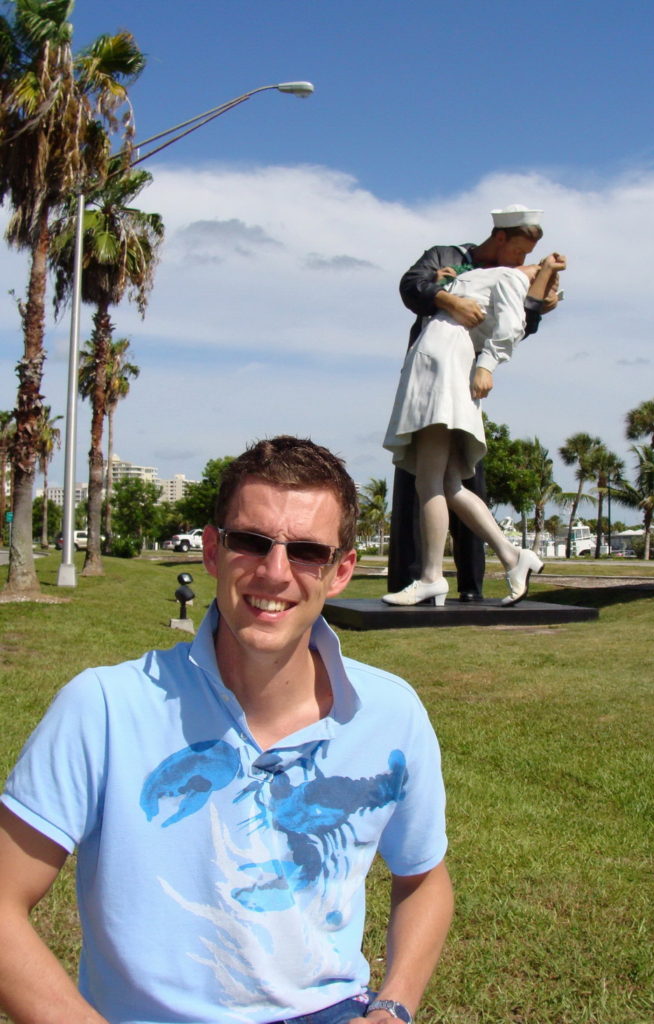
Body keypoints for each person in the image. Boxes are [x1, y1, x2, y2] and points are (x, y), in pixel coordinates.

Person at [0, 436, 453, 1024]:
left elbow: (423, 879)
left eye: (308, 552)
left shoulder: (391, 713)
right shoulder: (105, 707)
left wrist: (394, 1007)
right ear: (213, 551)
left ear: (341, 571)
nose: (274, 572)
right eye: (250, 541)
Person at [381, 209, 565, 607]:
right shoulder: (476, 268)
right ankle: (514, 556)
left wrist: (486, 365)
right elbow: (415, 286)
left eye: (531, 258)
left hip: (445, 364)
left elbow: (513, 326)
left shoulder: (510, 277)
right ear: (502, 239)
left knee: (429, 480)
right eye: (520, 251)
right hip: (435, 361)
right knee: (447, 484)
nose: (524, 261)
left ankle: (431, 577)